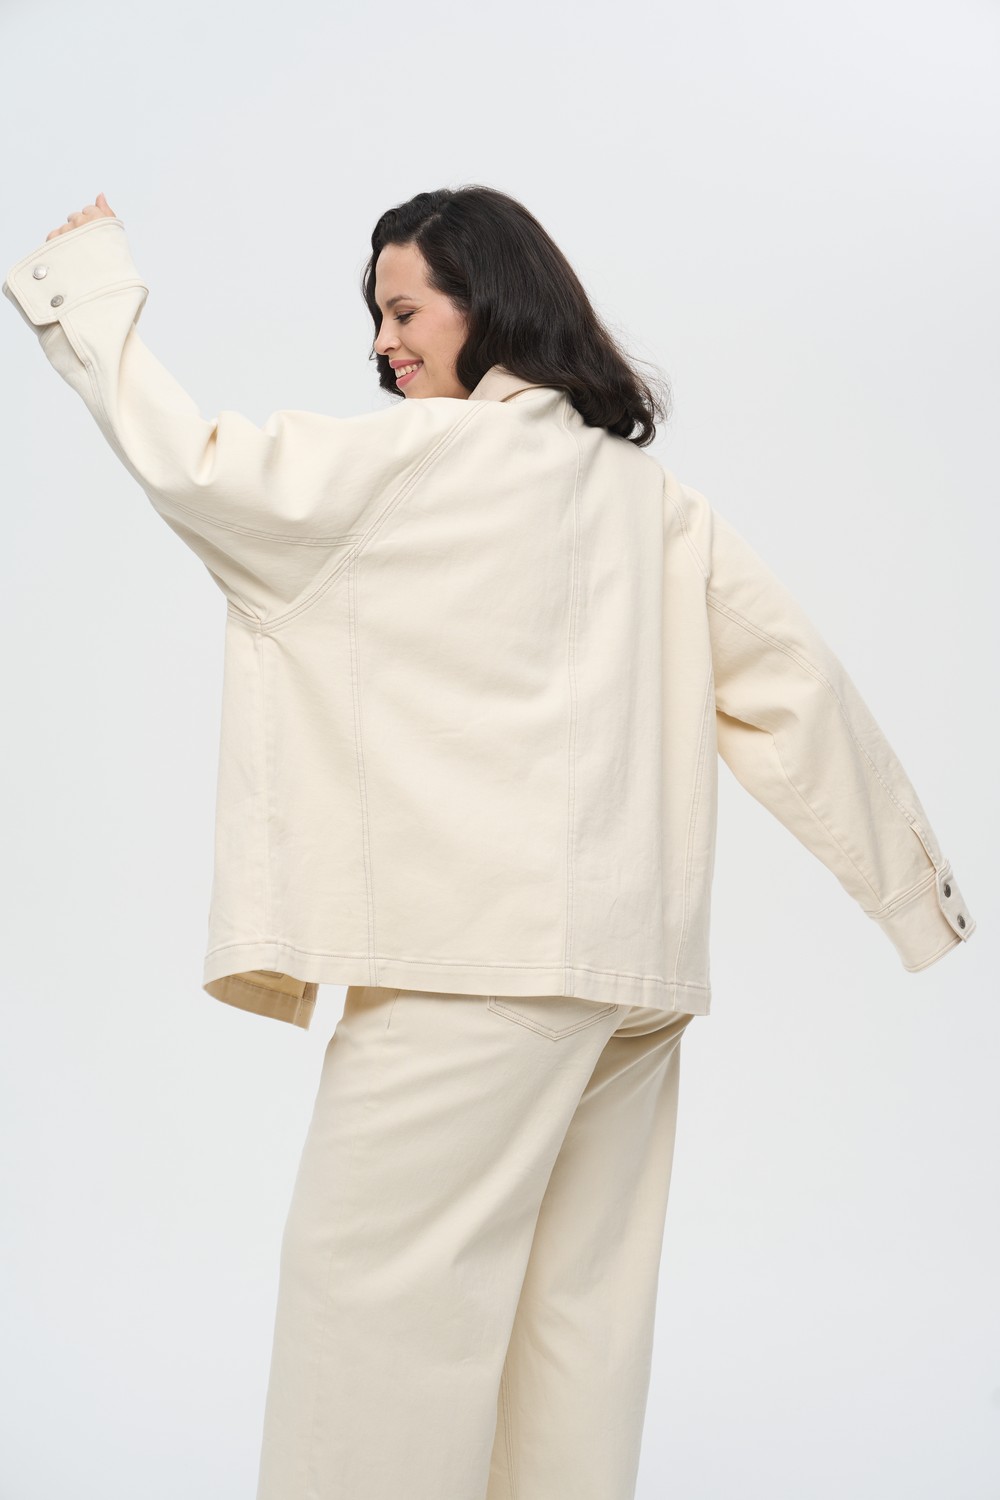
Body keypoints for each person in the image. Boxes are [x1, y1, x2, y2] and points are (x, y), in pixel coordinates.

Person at [4, 187, 976, 1499]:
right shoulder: (654, 504)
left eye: (405, 310)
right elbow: (797, 691)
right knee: (571, 1336)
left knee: (370, 1318)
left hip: (473, 970)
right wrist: (916, 898)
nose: (384, 343)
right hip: (629, 986)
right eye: (376, 317)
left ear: (491, 302)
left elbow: (196, 467)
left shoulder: (418, 465)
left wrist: (87, 278)